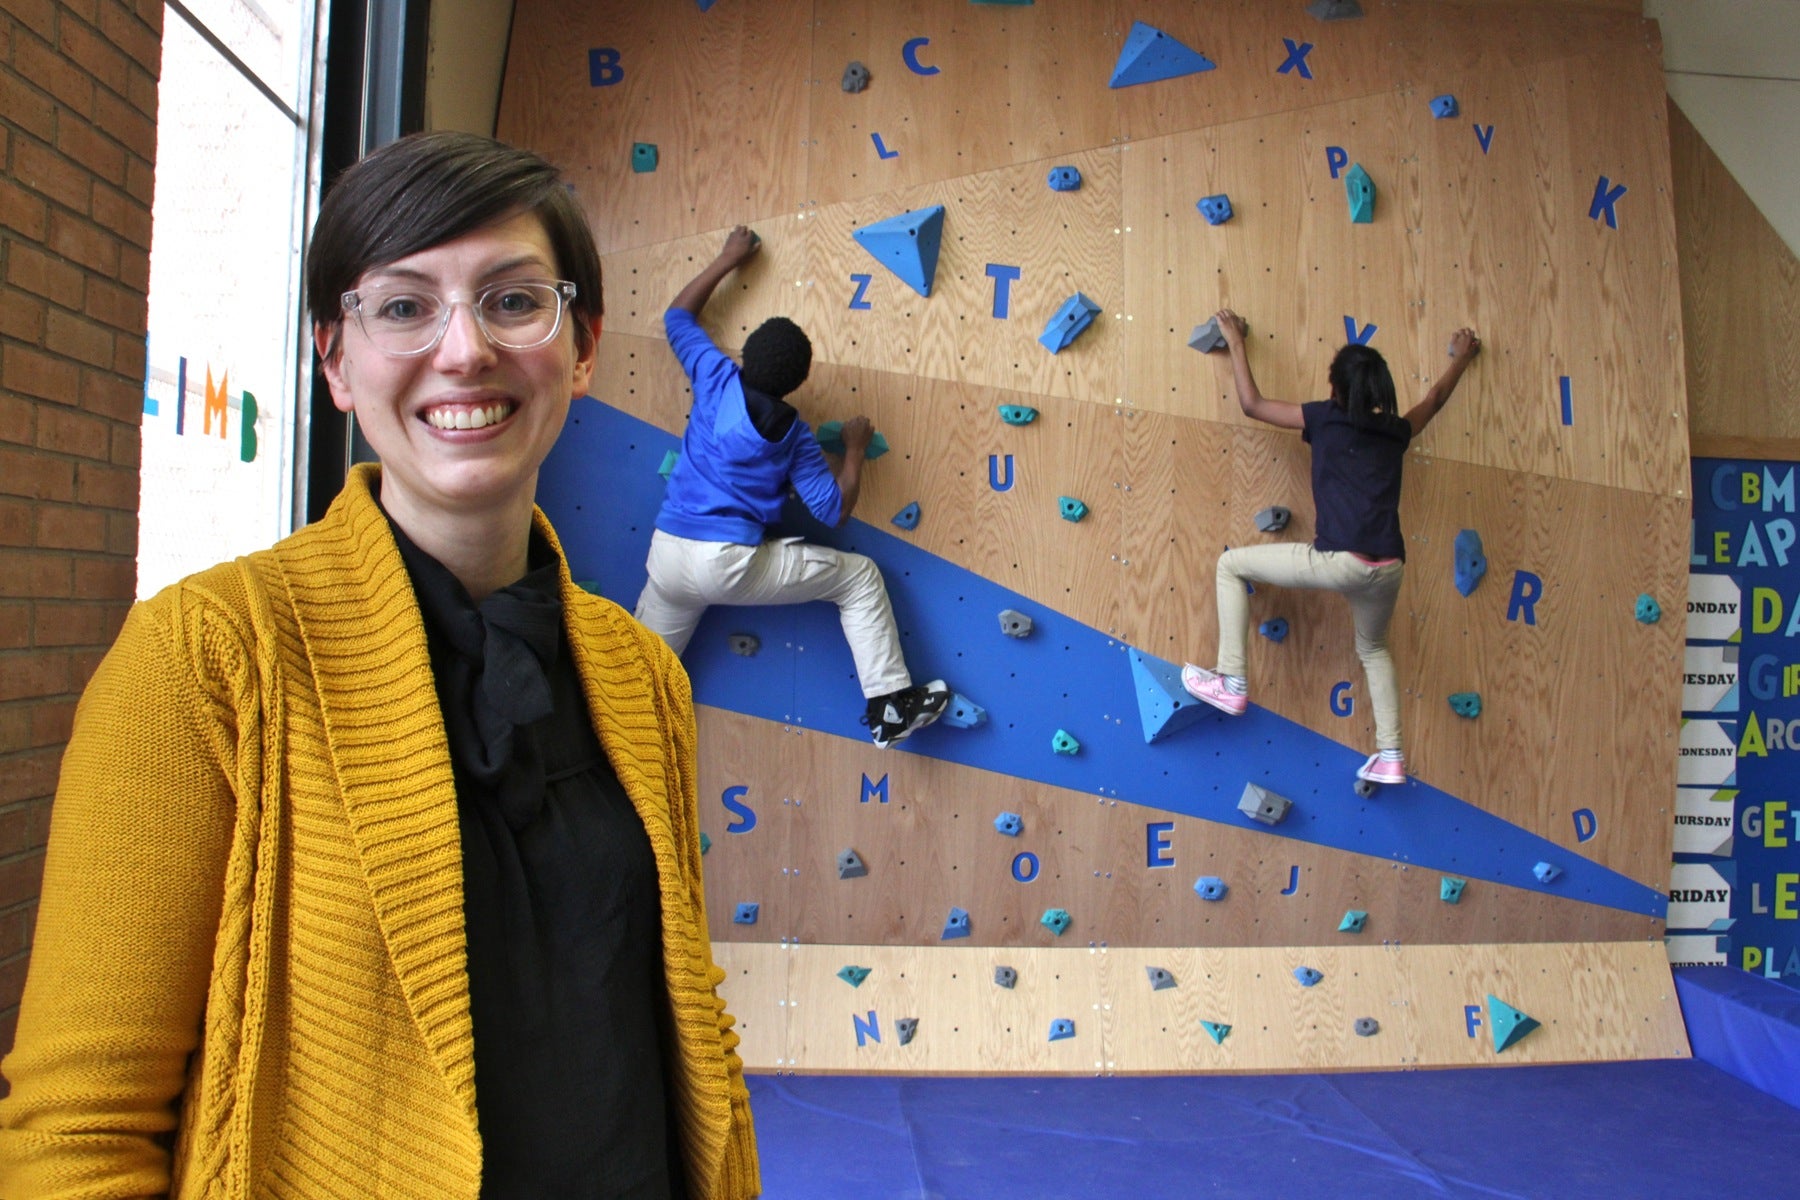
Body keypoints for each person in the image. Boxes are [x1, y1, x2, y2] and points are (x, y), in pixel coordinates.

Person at [0, 132, 758, 1199]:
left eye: (513, 301)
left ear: (581, 348)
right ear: (336, 362)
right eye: (404, 307)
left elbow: (682, 1019)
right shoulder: (207, 660)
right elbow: (77, 1130)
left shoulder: (641, 676)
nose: (465, 351)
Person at [633, 226, 949, 749]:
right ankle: (891, 704)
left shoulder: (713, 374)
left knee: (642, 677)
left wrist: (728, 258)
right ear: (798, 383)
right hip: (728, 563)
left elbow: (677, 317)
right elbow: (833, 511)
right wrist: (852, 448)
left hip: (668, 554)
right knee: (859, 578)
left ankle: (610, 737)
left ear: (746, 352)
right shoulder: (794, 435)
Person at [1182, 309, 1481, 785]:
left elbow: (1253, 404)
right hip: (1388, 568)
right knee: (1374, 648)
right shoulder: (1397, 430)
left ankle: (1231, 679)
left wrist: (1236, 343)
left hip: (1339, 561)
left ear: (1336, 390)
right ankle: (1390, 755)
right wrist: (1461, 360)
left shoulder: (1326, 418)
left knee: (1231, 565)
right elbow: (1435, 399)